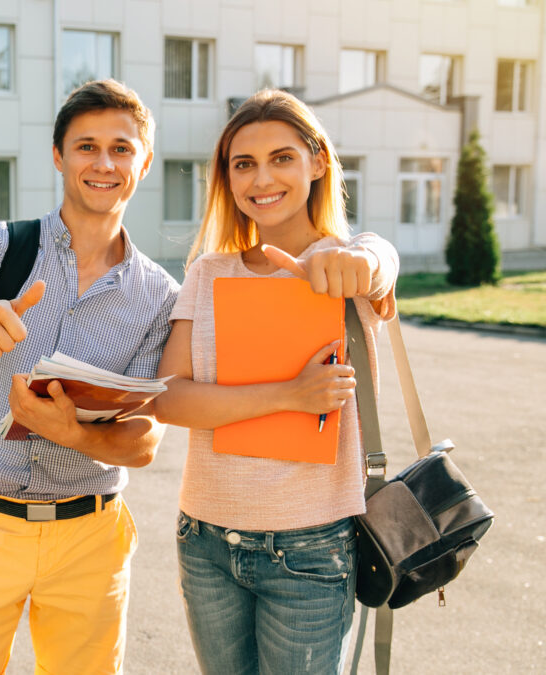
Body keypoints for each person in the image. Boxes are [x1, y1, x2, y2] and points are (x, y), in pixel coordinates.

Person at [0, 79, 179, 674]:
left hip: (92, 539)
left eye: (121, 148)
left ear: (144, 161)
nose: (103, 163)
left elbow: (145, 440)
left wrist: (74, 433)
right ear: (58, 155)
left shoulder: (160, 296)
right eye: (86, 147)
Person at [153, 88, 399, 674]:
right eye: (244, 164)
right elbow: (168, 398)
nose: (262, 178)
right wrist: (290, 395)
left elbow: (382, 264)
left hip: (311, 547)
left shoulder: (348, 269)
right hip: (206, 539)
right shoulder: (208, 272)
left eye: (282, 157)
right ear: (228, 178)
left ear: (317, 161)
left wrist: (368, 255)